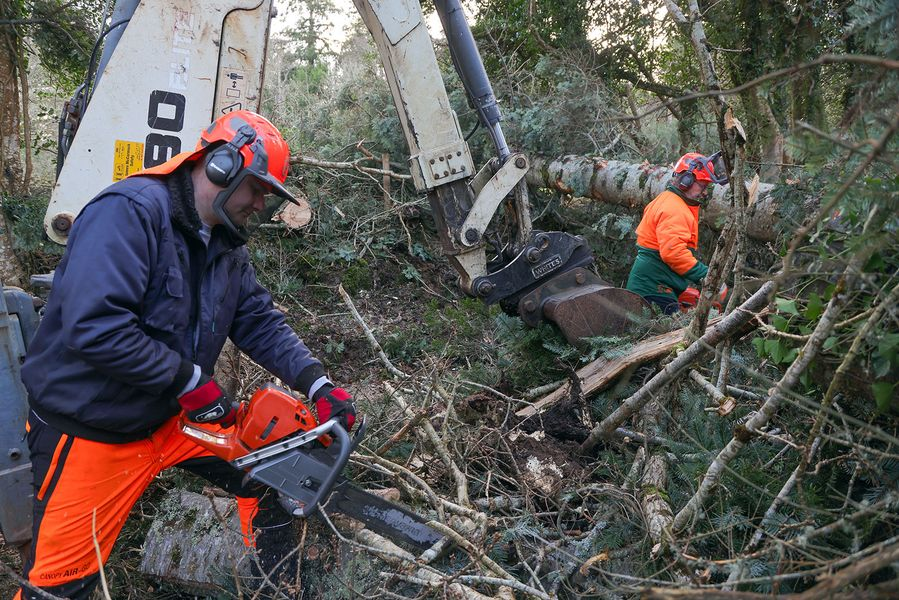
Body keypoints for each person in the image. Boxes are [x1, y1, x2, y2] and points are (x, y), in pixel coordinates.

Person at [15, 110, 355, 599]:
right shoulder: (129, 212)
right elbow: (96, 327)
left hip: (172, 419)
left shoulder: (224, 241)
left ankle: (267, 585)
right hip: (94, 428)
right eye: (257, 188)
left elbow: (257, 319)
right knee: (59, 587)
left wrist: (317, 382)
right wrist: (190, 382)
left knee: (277, 472)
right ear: (220, 165)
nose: (261, 204)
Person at [626, 151, 727, 315]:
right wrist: (708, 277)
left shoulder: (668, 199)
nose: (705, 192)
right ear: (687, 181)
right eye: (702, 185)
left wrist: (679, 288)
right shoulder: (675, 209)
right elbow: (673, 253)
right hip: (653, 290)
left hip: (654, 284)